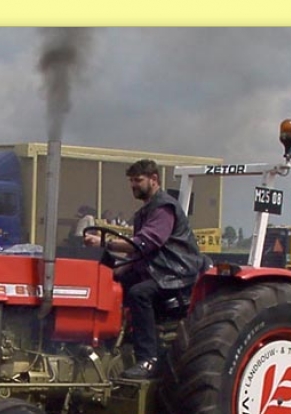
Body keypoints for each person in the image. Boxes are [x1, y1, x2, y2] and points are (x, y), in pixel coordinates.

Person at [83, 159, 206, 379]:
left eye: (138, 180)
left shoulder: (164, 208)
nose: (133, 185)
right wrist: (113, 273)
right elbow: (138, 254)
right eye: (131, 181)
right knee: (109, 284)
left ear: (154, 179)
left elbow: (146, 243)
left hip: (174, 274)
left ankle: (148, 359)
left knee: (139, 294)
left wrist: (104, 242)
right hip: (156, 270)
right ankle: (107, 342)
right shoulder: (145, 211)